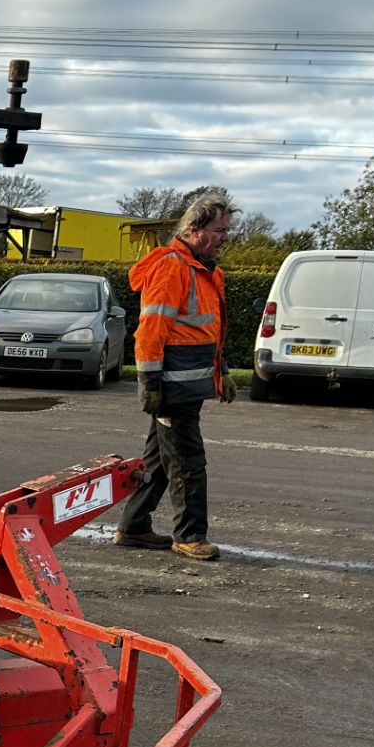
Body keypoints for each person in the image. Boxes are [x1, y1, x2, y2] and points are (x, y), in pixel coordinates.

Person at [114, 193, 235, 561]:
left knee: (159, 461)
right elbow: (151, 331)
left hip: (186, 386)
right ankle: (190, 536)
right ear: (195, 230)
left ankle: (133, 526)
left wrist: (223, 371)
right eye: (219, 230)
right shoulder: (173, 267)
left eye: (228, 230)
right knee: (187, 462)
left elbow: (207, 331)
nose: (225, 237)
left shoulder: (204, 269)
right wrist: (150, 385)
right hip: (172, 389)